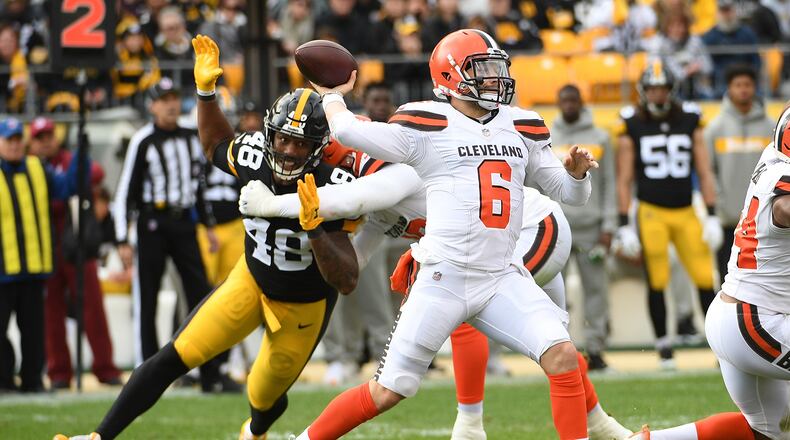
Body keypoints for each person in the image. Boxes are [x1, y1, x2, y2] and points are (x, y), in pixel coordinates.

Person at [289, 28, 598, 440]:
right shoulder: (428, 123)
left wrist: (577, 176)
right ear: (451, 77)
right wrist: (332, 94)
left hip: (502, 275)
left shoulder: (522, 125)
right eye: (483, 70)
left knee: (562, 355)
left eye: (496, 68)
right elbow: (346, 133)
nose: (495, 79)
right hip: (443, 278)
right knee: (388, 391)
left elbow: (568, 194)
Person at [54, 35, 360, 440]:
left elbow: (347, 279)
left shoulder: (337, 186)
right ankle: (97, 437)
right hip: (250, 279)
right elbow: (216, 144)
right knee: (176, 354)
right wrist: (205, 93)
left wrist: (316, 228)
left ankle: (256, 430)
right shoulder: (255, 155)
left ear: (320, 148)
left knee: (262, 392)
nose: (286, 150)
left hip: (303, 306)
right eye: (282, 138)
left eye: (299, 143)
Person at [240, 139, 633, 439]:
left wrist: (271, 205)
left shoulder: (399, 171)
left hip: (532, 228)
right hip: (492, 250)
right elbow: (351, 270)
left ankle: (469, 425)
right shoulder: (380, 210)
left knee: (471, 305)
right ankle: (600, 425)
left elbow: (351, 196)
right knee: (556, 348)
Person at [628, 106, 790, 440]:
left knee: (769, 431)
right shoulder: (780, 178)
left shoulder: (772, 158)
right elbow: (784, 208)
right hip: (755, 321)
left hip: (738, 316)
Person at [614, 60, 722, 369]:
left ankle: (720, 347)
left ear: (672, 90)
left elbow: (704, 169)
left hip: (686, 209)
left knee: (705, 277)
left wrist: (711, 213)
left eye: (662, 88)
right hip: (651, 212)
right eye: (652, 88)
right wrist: (624, 224)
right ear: (643, 91)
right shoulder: (631, 123)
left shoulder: (689, 119)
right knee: (657, 279)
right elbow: (624, 177)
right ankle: (664, 348)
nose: (658, 94)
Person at [112, 77, 219, 378]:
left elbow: (198, 184)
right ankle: (146, 370)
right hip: (153, 224)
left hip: (185, 222)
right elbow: (124, 193)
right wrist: (122, 238)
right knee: (148, 295)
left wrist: (208, 225)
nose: (171, 104)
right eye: (164, 99)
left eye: (174, 97)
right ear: (152, 106)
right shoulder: (143, 139)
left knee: (201, 295)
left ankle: (209, 370)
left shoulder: (189, 136)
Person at [26, 117, 122, 389]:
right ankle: (59, 372)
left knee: (92, 305)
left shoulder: (68, 159)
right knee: (51, 310)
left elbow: (96, 174)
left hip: (77, 241)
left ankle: (105, 367)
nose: (46, 143)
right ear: (31, 142)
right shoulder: (28, 167)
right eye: (40, 138)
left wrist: (78, 158)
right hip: (44, 244)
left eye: (49, 137)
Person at [0, 117, 84, 393]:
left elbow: (69, 188)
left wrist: (79, 156)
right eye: (8, 140)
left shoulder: (38, 168)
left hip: (34, 267)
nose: (14, 146)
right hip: (3, 270)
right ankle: (4, 379)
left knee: (34, 332)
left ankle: (32, 380)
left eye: (16, 140)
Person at [551, 85, 617, 371]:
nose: (568, 104)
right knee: (555, 292)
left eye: (572, 100)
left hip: (591, 229)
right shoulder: (547, 137)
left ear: (580, 102)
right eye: (563, 99)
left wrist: (609, 224)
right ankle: (558, 349)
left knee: (596, 291)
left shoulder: (600, 137)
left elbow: (608, 183)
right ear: (558, 103)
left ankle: (595, 349)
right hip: (557, 227)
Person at [703, 64, 774, 288]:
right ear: (729, 88)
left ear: (755, 88)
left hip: (764, 223)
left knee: (763, 285)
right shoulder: (714, 128)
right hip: (728, 221)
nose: (743, 90)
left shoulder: (771, 128)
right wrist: (714, 210)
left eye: (748, 85)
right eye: (738, 85)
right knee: (728, 283)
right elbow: (707, 171)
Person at [701, 0, 761, 97]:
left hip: (745, 77)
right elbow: (708, 64)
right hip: (721, 80)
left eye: (729, 10)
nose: (726, 15)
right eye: (723, 11)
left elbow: (756, 60)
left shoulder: (747, 33)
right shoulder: (710, 36)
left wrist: (751, 76)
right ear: (718, 13)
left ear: (734, 11)